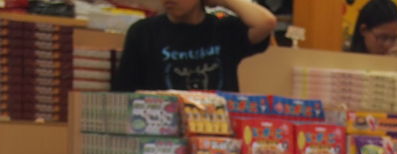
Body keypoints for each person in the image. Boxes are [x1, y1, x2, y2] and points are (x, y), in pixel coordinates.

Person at [112, 0, 276, 92]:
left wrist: (225, 1)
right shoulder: (143, 32)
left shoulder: (224, 30)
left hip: (216, 136)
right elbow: (123, 93)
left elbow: (266, 22)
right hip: (162, 137)